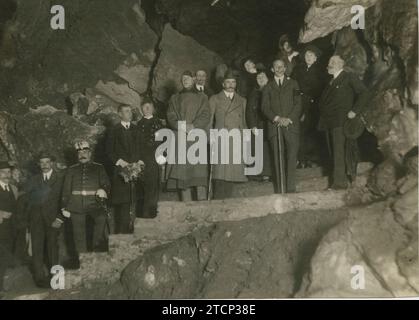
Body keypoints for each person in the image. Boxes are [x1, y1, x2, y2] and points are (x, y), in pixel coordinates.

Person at [318, 55, 368, 189]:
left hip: (341, 121)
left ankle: (340, 183)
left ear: (340, 64)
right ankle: (338, 180)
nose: (329, 65)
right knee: (333, 152)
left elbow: (364, 93)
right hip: (329, 122)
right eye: (329, 62)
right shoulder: (330, 81)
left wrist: (354, 111)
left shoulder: (348, 77)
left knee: (339, 152)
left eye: (332, 62)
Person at [61, 141, 110, 266]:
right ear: (77, 155)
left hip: (95, 203)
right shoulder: (71, 170)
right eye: (80, 152)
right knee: (79, 235)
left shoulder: (99, 167)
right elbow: (66, 190)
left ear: (90, 153)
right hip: (76, 204)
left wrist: (103, 189)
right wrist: (64, 207)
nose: (82, 155)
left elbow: (106, 184)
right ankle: (82, 262)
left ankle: (96, 258)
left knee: (100, 221)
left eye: (85, 152)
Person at [166, 70, 211, 201]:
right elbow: (171, 115)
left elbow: (205, 114)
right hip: (180, 137)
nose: (185, 80)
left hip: (197, 136)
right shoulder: (174, 98)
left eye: (188, 78)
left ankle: (202, 207)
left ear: (194, 79)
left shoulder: (203, 97)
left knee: (199, 172)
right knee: (183, 173)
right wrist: (182, 126)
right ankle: (187, 209)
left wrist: (194, 125)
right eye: (183, 79)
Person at [25, 153, 64, 288]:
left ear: (52, 163)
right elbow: (27, 201)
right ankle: (40, 280)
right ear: (39, 164)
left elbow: (64, 200)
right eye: (42, 162)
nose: (45, 165)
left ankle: (56, 280)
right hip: (36, 221)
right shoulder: (33, 180)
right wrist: (29, 220)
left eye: (47, 162)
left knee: (53, 249)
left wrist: (60, 218)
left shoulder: (60, 179)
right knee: (37, 250)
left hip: (53, 220)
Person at [262, 59, 302, 193]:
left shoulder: (294, 84)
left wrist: (289, 119)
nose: (279, 69)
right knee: (277, 158)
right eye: (276, 67)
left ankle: (290, 188)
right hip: (275, 127)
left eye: (281, 67)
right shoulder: (268, 86)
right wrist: (278, 118)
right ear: (272, 69)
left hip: (291, 125)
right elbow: (264, 107)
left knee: (291, 156)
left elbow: (298, 103)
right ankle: (280, 189)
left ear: (285, 68)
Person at [209, 70, 248, 199]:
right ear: (223, 84)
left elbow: (243, 122)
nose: (231, 85)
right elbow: (209, 120)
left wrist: (246, 139)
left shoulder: (242, 100)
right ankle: (217, 201)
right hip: (221, 137)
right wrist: (210, 137)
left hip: (236, 138)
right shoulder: (215, 99)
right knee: (220, 172)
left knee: (232, 173)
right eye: (228, 82)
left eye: (233, 82)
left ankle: (228, 203)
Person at [106, 104, 140, 234]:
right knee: (123, 205)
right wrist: (121, 162)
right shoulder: (113, 130)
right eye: (126, 111)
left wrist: (138, 162)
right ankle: (122, 235)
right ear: (119, 114)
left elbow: (139, 149)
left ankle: (134, 233)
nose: (129, 114)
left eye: (130, 111)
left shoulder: (136, 129)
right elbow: (109, 152)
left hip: (136, 171)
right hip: (120, 173)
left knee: (134, 202)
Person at [292, 45, 327, 168]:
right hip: (300, 103)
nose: (308, 57)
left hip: (315, 104)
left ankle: (314, 158)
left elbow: (323, 89)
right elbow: (292, 85)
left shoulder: (321, 71)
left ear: (316, 58)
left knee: (313, 131)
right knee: (301, 131)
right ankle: (301, 159)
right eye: (307, 55)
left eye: (311, 55)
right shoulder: (298, 69)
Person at [136, 99, 163, 218]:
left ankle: (152, 214)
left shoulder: (159, 123)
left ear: (153, 108)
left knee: (153, 186)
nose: (146, 109)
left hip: (154, 159)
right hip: (141, 159)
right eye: (144, 107)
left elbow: (163, 143)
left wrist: (162, 159)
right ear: (141, 109)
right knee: (141, 187)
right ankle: (143, 215)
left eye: (149, 107)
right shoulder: (138, 124)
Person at [246, 69, 271, 180]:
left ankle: (269, 173)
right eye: (258, 78)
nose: (261, 79)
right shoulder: (254, 92)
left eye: (263, 76)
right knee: (257, 148)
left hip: (269, 123)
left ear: (267, 78)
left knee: (268, 149)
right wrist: (252, 125)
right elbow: (249, 111)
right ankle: (259, 174)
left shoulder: (272, 89)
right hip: (258, 124)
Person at [0, 161, 18, 297]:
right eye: (3, 172)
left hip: (9, 230)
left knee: (4, 260)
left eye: (8, 172)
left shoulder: (13, 188)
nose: (6, 174)